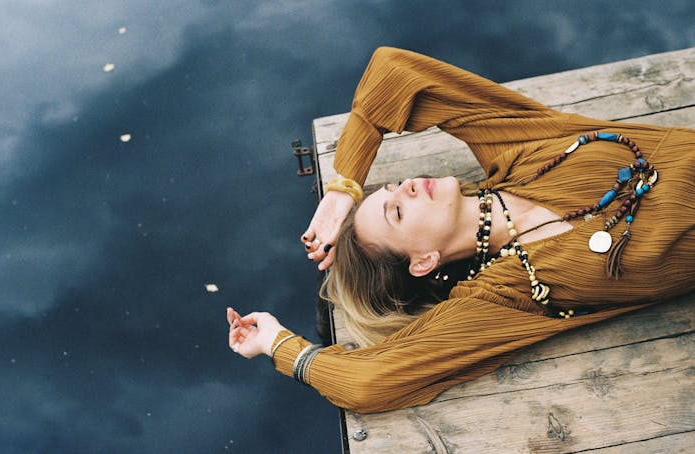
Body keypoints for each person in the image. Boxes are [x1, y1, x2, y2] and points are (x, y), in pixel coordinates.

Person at [227, 47, 695, 413]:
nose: (405, 186)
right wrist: (276, 343)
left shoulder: (519, 153)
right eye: (395, 211)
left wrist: (343, 189)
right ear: (424, 260)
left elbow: (392, 71)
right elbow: (371, 381)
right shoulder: (505, 294)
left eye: (391, 187)